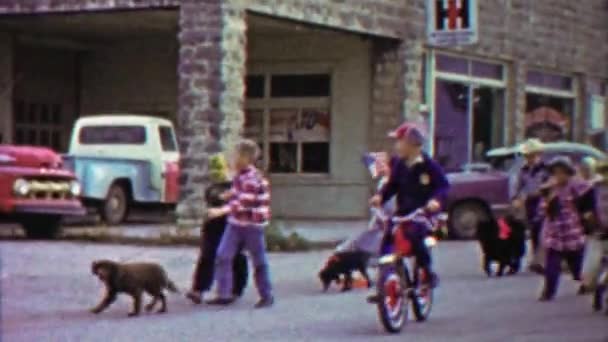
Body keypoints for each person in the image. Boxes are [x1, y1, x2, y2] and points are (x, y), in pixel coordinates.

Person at [369, 122, 450, 288]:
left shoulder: (429, 166)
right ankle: (385, 274)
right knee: (388, 234)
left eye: (400, 141)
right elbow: (392, 185)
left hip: (423, 214)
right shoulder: (399, 164)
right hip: (403, 212)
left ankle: (426, 272)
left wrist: (436, 201)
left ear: (412, 144)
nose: (396, 146)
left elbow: (443, 186)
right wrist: (380, 197)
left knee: (416, 237)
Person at [206, 140, 274, 308]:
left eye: (235, 155)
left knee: (258, 260)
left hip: (252, 225)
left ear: (245, 157)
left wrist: (220, 211)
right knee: (223, 255)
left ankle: (266, 294)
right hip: (236, 223)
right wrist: (228, 195)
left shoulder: (252, 178)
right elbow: (238, 192)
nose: (232, 159)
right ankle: (224, 293)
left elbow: (244, 202)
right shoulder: (240, 176)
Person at [537, 156, 591, 301]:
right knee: (552, 264)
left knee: (577, 267)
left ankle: (586, 284)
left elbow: (588, 190)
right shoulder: (549, 188)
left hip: (572, 231)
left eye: (562, 172)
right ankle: (548, 292)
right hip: (555, 232)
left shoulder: (574, 185)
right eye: (556, 173)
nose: (559, 176)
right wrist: (548, 197)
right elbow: (542, 211)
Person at [512, 138, 549, 274]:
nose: (529, 158)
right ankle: (536, 259)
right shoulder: (524, 170)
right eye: (527, 156)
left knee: (543, 231)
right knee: (533, 231)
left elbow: (549, 186)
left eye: (532, 155)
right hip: (529, 203)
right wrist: (516, 198)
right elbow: (518, 185)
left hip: (544, 202)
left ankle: (542, 261)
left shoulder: (545, 169)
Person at [578, 157, 606, 295]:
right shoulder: (593, 189)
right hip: (597, 233)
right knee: (591, 270)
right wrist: (588, 218)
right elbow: (583, 208)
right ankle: (596, 287)